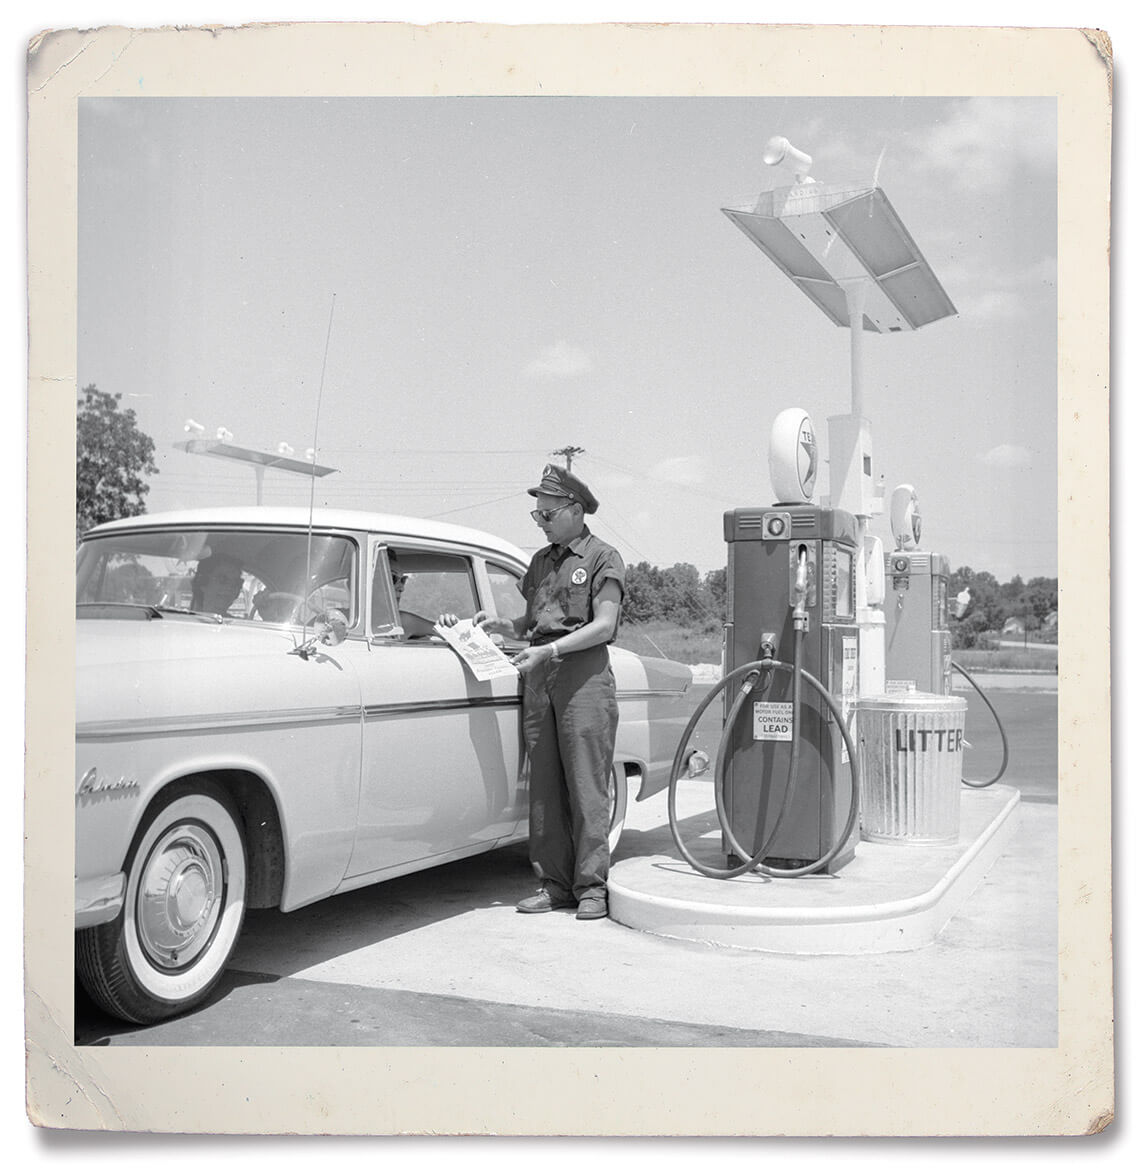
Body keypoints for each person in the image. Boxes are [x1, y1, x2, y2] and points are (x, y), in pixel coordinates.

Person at [440, 464, 625, 920]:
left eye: (547, 514)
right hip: (540, 678)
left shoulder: (603, 557)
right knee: (544, 788)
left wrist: (551, 650)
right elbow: (532, 621)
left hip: (583, 676)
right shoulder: (541, 562)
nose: (540, 522)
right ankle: (554, 884)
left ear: (576, 510)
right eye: (536, 515)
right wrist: (505, 625)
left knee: (586, 786)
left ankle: (592, 888)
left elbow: (604, 625)